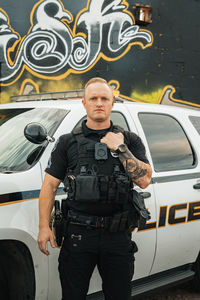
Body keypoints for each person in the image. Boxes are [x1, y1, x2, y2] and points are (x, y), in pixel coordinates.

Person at [37, 77, 152, 300]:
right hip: (78, 236)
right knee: (72, 295)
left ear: (112, 103)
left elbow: (144, 180)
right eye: (93, 98)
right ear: (84, 103)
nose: (99, 103)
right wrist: (43, 226)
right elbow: (49, 186)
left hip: (117, 237)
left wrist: (120, 148)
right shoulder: (66, 142)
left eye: (104, 98)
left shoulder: (130, 140)